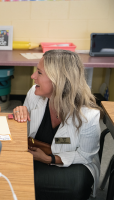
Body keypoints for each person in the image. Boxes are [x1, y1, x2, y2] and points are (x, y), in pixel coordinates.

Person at [13, 50, 102, 200]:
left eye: (39, 73)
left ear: (58, 80)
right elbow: (24, 135)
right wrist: (20, 112)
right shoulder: (34, 95)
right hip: (36, 156)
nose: (33, 76)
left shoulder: (88, 115)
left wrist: (49, 159)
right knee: (11, 174)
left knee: (71, 187)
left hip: (73, 165)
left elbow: (85, 156)